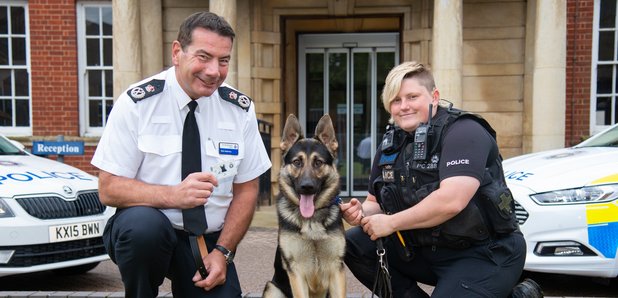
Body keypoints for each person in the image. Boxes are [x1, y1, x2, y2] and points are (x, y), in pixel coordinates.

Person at [91, 12, 271, 298]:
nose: (214, 71)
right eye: (204, 57)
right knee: (144, 230)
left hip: (205, 240)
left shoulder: (239, 109)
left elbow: (247, 188)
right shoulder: (138, 103)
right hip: (147, 230)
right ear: (177, 52)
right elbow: (108, 187)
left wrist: (222, 253)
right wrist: (173, 195)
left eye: (223, 61)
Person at [340, 62, 542, 297]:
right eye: (396, 100)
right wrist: (361, 213)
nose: (403, 106)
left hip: (483, 253)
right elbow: (375, 202)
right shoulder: (390, 145)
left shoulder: (464, 131)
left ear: (434, 97)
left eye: (412, 97)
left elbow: (451, 201)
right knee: (355, 243)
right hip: (425, 251)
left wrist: (392, 222)